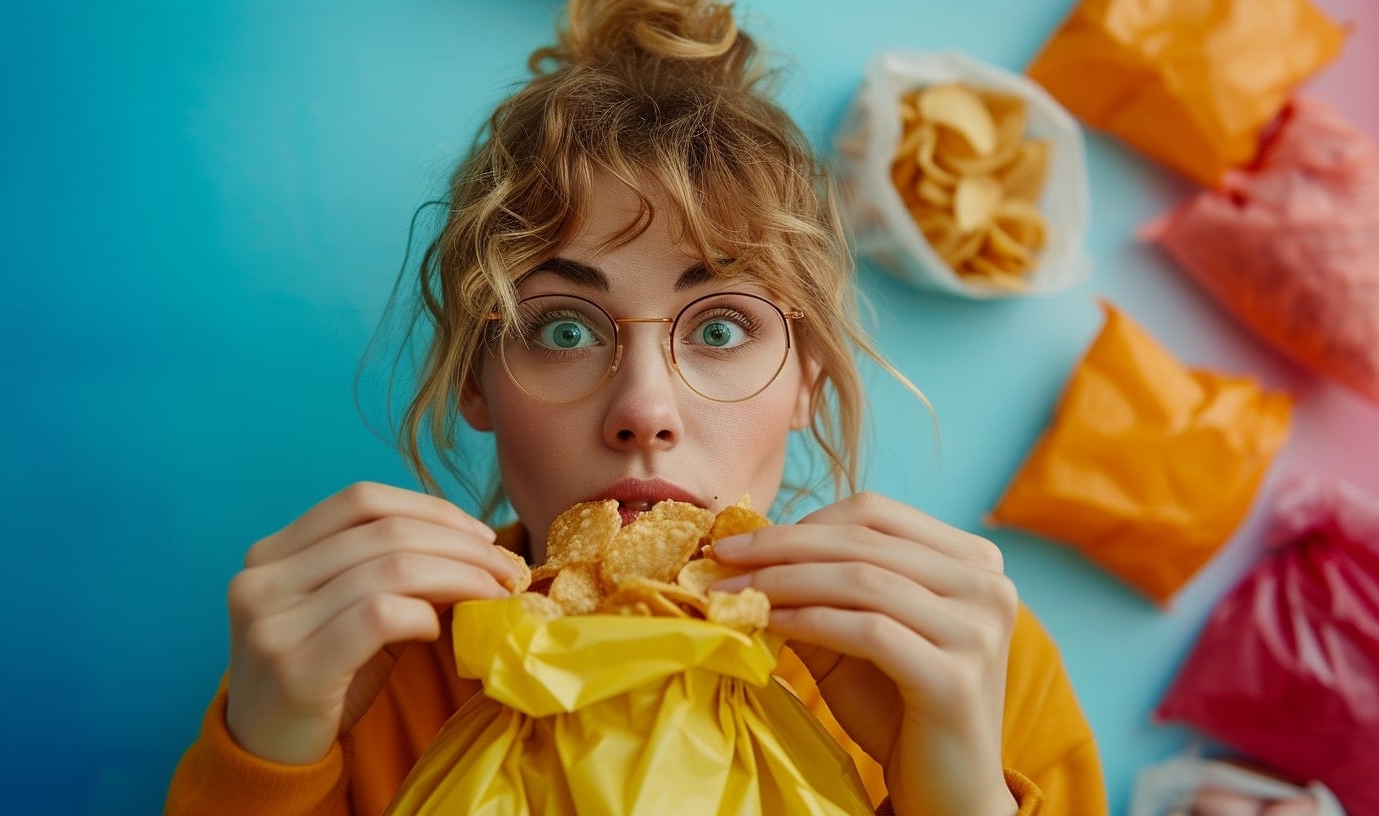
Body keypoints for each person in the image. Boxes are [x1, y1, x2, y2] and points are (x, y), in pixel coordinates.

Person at [165, 1, 1106, 814]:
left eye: (724, 328)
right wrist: (267, 760)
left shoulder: (969, 664)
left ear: (807, 378)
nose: (645, 409)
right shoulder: (351, 676)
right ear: (473, 382)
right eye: (565, 330)